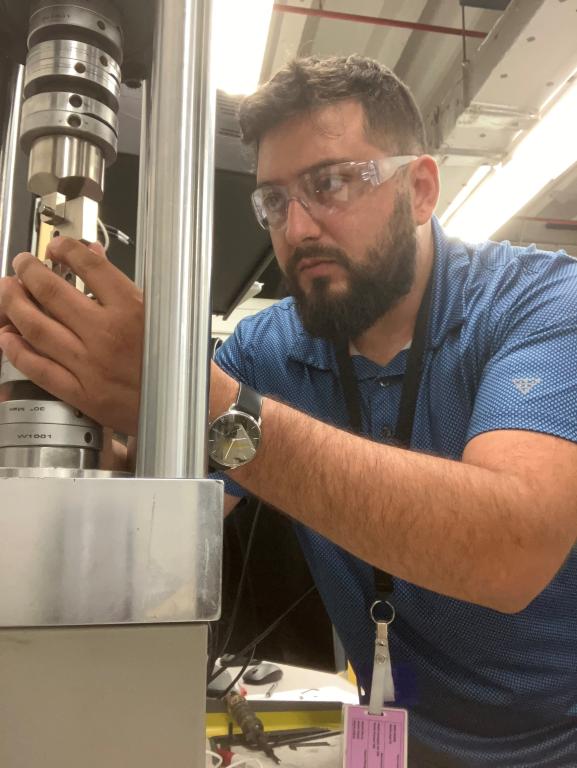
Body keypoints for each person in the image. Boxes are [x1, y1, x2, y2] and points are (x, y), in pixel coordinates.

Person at [0, 55, 576, 766]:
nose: (295, 227)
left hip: (554, 743)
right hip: (399, 734)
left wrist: (209, 405)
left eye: (329, 183)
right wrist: (83, 441)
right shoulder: (266, 347)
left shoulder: (541, 306)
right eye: (273, 200)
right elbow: (173, 526)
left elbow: (509, 552)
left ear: (420, 187)